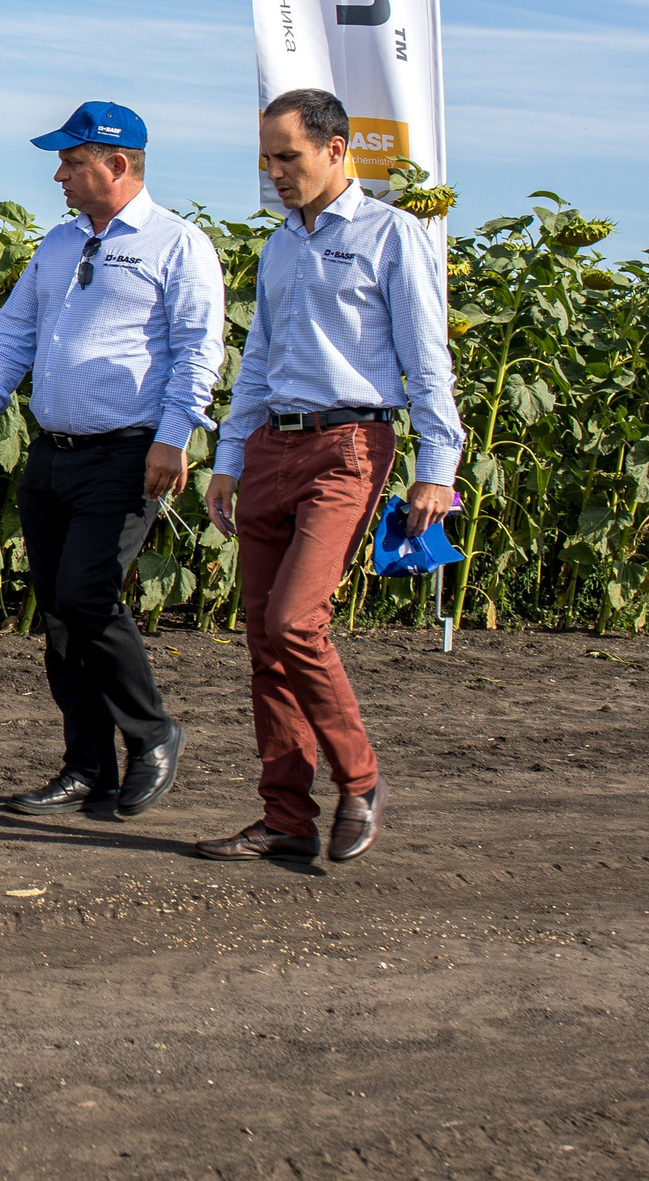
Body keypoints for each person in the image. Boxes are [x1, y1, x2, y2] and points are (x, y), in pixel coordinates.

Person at [199, 88, 462, 865]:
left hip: (350, 446)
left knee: (294, 622)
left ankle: (362, 778)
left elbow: (427, 359)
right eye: (268, 158)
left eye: (289, 156)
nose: (276, 171)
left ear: (337, 149)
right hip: (273, 447)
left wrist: (435, 468)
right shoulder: (280, 245)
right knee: (262, 640)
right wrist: (230, 458)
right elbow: (258, 367)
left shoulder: (393, 235)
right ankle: (286, 818)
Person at [0, 101, 227, 820]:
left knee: (87, 594)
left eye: (72, 162)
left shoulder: (178, 245)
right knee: (60, 615)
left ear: (117, 164)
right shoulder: (57, 244)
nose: (59, 174)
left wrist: (176, 435)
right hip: (53, 453)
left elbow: (199, 349)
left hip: (130, 452)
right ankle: (87, 766)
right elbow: (15, 331)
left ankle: (153, 732)